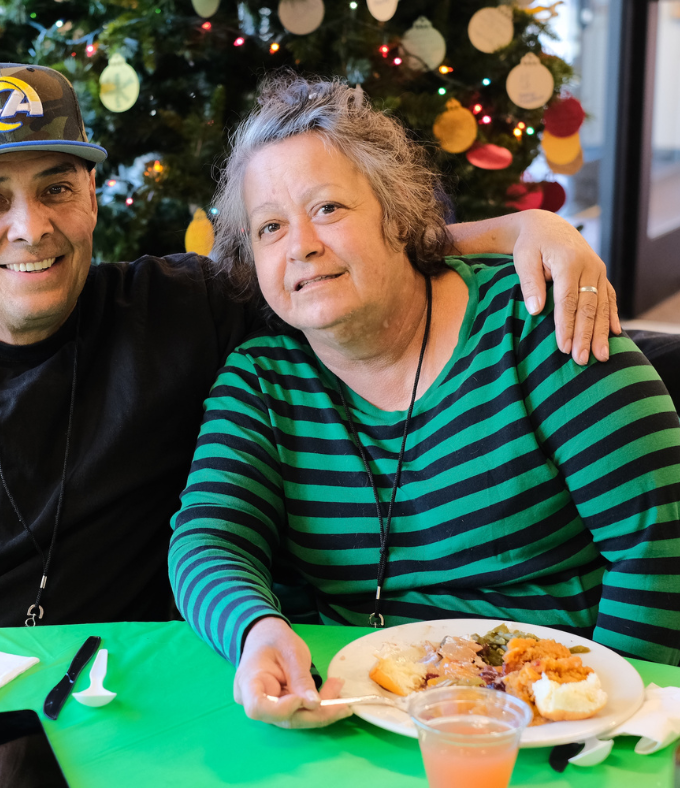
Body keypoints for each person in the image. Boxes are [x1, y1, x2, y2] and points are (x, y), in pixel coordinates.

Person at [0, 63, 618, 647]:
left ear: (93, 197)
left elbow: (330, 258)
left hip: (115, 702)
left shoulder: (179, 310)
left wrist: (519, 229)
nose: (31, 228)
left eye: (56, 189)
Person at [168, 73, 680, 730]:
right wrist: (255, 629)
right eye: (270, 226)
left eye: (329, 209)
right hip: (362, 714)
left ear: (397, 214)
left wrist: (602, 718)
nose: (301, 245)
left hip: (547, 720)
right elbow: (209, 539)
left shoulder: (534, 322)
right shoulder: (261, 381)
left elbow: (658, 536)